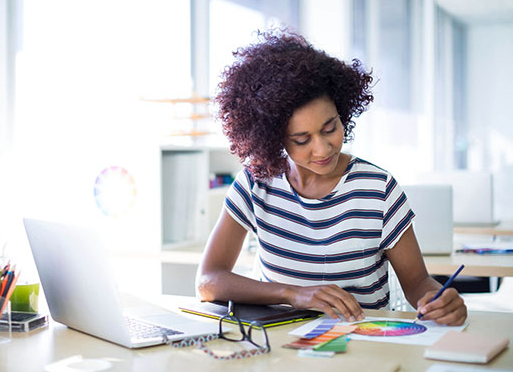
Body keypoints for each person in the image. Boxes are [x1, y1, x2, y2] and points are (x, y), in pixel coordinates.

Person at [195, 29, 467, 326]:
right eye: (302, 139)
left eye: (330, 128)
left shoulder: (378, 189)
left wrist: (439, 300)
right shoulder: (255, 184)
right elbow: (209, 280)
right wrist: (293, 294)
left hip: (364, 342)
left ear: (342, 113)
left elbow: (417, 283)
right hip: (279, 343)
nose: (323, 148)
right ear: (274, 139)